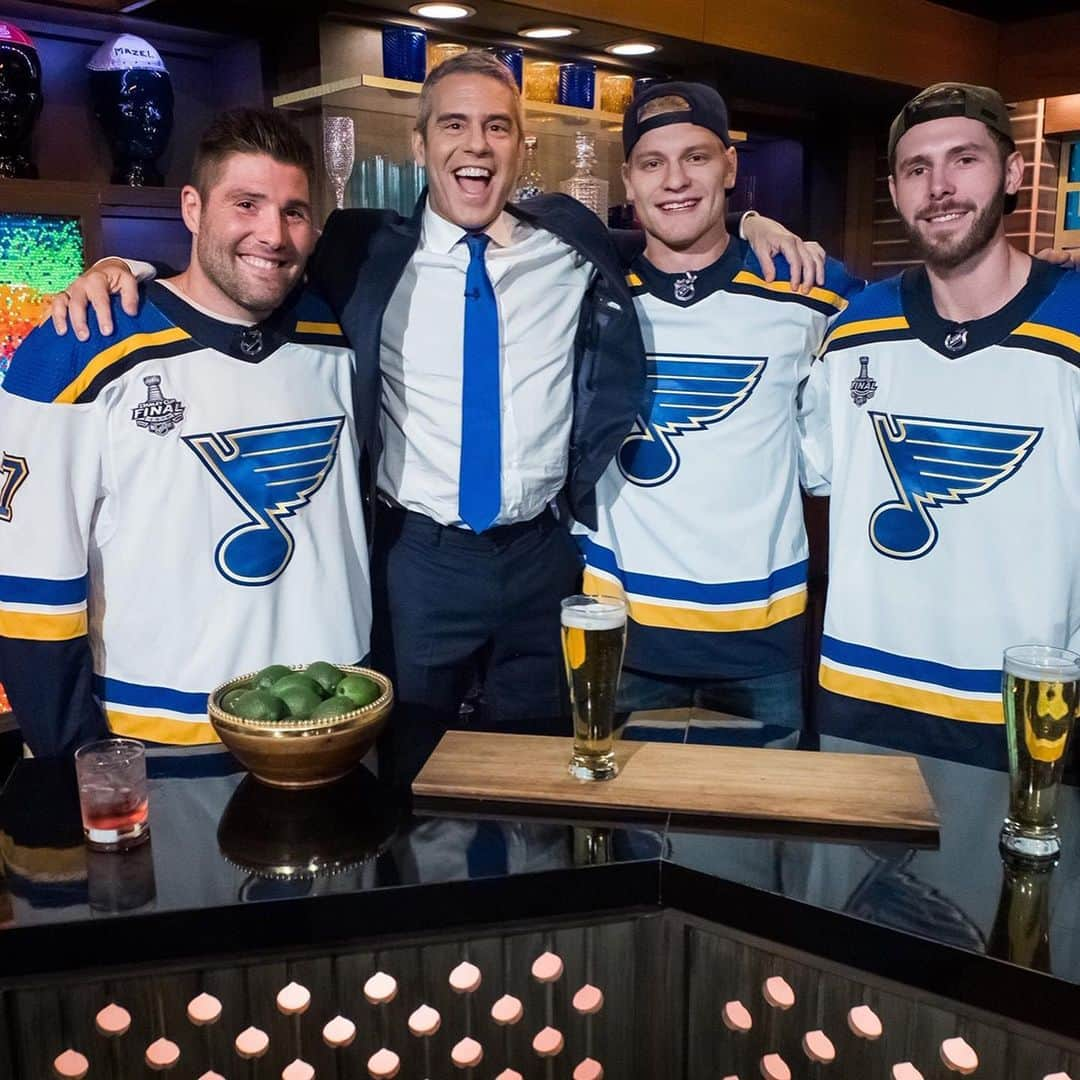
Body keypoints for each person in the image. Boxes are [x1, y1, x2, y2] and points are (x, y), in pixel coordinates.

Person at [49, 54, 824, 782]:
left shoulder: (575, 245)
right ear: (421, 145)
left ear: (523, 148)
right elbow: (247, 267)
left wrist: (753, 224)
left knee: (538, 776)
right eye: (453, 124)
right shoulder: (358, 250)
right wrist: (129, 269)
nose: (475, 144)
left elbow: (677, 235)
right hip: (418, 561)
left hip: (542, 557)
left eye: (496, 126)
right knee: (409, 774)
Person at [0, 108, 372, 758]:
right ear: (193, 207)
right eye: (246, 204)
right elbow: (29, 592)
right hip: (167, 745)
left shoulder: (333, 329)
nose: (272, 234)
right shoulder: (74, 350)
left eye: (293, 211)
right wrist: (79, 767)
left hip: (343, 719)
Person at [799, 82, 1080, 769]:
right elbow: (810, 470)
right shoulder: (854, 330)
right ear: (895, 191)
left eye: (965, 160)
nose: (940, 187)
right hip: (863, 691)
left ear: (1013, 173)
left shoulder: (1071, 325)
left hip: (1026, 705)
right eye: (917, 169)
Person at [574, 83, 861, 742]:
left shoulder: (809, 291)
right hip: (619, 640)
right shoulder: (590, 294)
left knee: (757, 838)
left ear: (731, 167)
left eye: (697, 158)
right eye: (652, 163)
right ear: (629, 180)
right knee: (625, 842)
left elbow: (933, 309)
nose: (674, 180)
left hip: (760, 646)